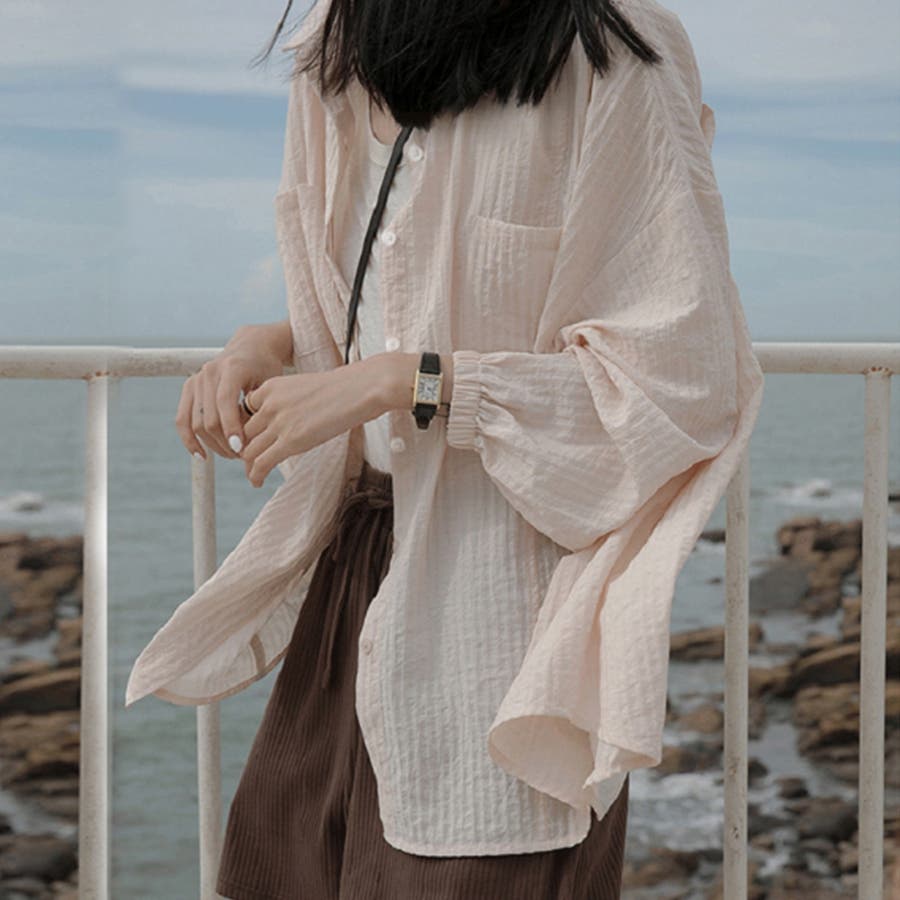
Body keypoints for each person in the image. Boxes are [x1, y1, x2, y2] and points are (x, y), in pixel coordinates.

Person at [124, 0, 765, 897]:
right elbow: (401, 296)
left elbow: (678, 381)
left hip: (505, 602)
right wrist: (269, 343)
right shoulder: (336, 48)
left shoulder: (610, 50)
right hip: (354, 571)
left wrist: (404, 383)